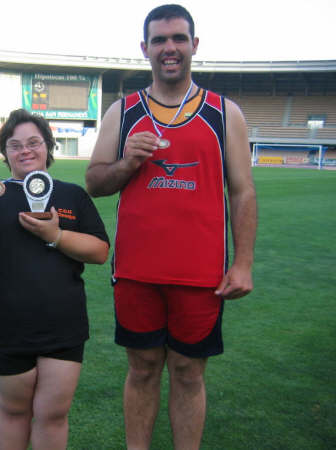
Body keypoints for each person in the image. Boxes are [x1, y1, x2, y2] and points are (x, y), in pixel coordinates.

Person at [85, 4, 257, 449]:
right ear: (144, 48)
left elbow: (242, 192)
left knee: (188, 372)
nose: (169, 48)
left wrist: (243, 263)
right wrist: (128, 162)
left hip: (200, 277)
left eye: (178, 38)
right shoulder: (123, 112)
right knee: (141, 368)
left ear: (194, 45)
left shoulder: (224, 113)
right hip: (137, 272)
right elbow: (95, 182)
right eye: (159, 40)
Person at [0, 108, 109, 450]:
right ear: (5, 153)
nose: (25, 150)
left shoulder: (72, 195)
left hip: (63, 324)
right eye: (15, 144)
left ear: (48, 147)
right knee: (13, 410)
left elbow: (100, 251)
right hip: (8, 325)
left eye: (33, 142)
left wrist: (56, 235)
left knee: (53, 414)